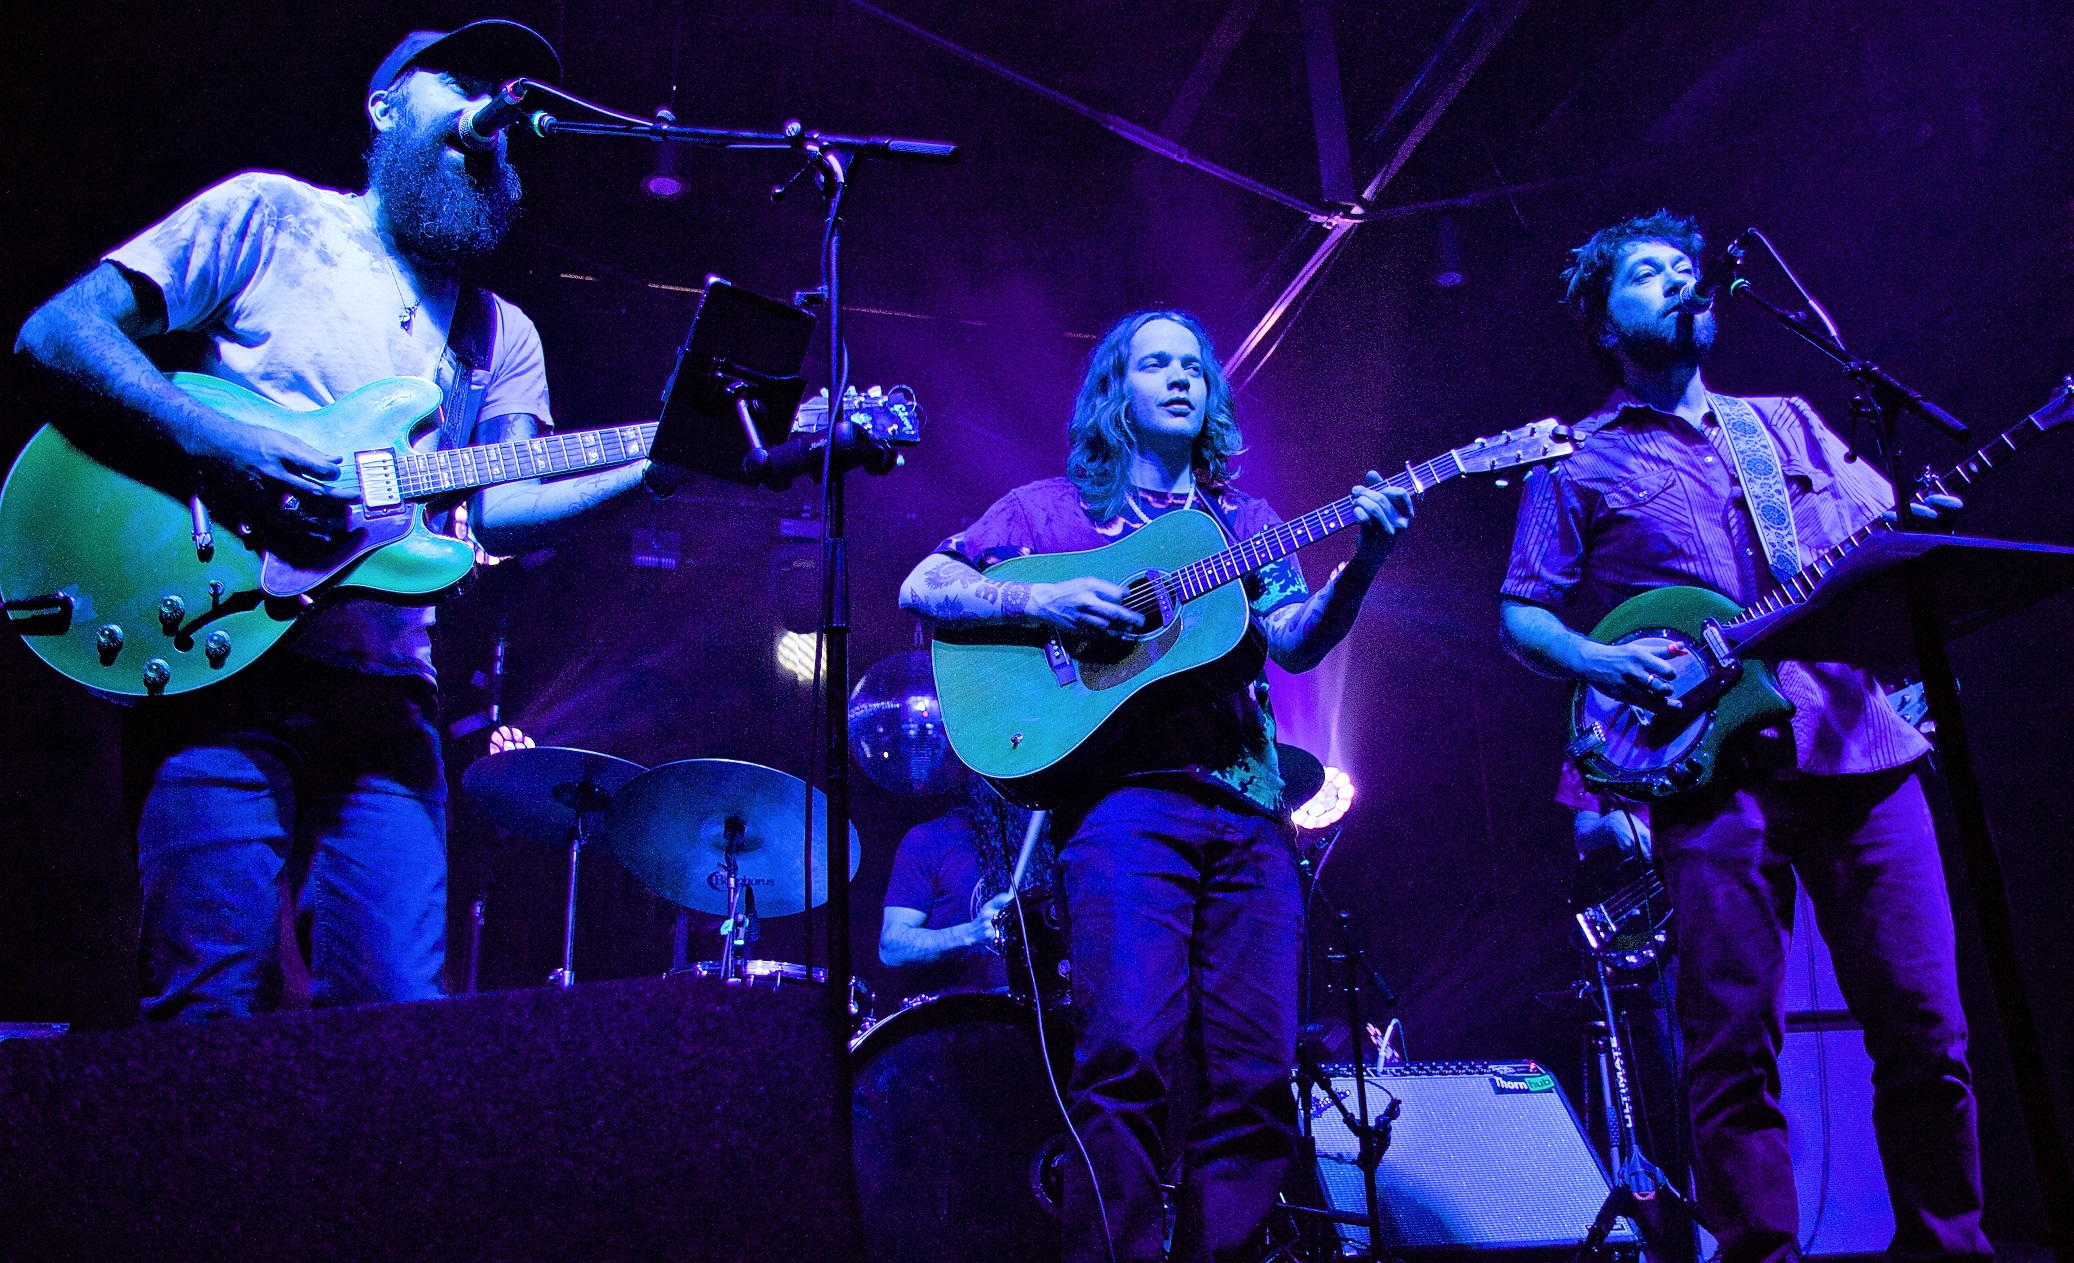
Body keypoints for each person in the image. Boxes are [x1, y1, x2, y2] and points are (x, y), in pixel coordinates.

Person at [13, 21, 675, 1023]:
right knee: (205, 1005)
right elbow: (59, 333)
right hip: (219, 661)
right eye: (457, 79)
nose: (488, 108)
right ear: (383, 108)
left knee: (400, 1021)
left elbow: (503, 507)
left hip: (385, 698)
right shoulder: (270, 216)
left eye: (505, 94)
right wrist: (216, 443)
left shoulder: (501, 330)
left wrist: (655, 470)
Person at [1499, 211, 1990, 1263]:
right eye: (1646, 273)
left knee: (1926, 1030)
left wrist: (1925, 520)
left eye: (1687, 269)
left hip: (1856, 745)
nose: (1679, 280)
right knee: (1729, 1047)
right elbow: (1522, 612)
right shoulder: (1572, 461)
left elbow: (1880, 541)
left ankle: (1949, 1248)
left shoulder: (1793, 424)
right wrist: (1598, 662)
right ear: (1601, 318)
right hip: (1709, 772)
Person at [899, 309, 1414, 1263]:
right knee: (1128, 1054)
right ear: (1115, 391)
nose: (1182, 379)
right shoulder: (1047, 512)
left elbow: (1297, 643)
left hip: (1254, 816)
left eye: (1196, 367)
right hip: (1125, 808)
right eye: (1157, 365)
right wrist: (1045, 598)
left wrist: (1368, 560)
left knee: (1255, 1078)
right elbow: (924, 585)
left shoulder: (1245, 524)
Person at [879, 777, 1034, 997]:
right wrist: (972, 932)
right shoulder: (930, 840)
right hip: (957, 1019)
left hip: (1035, 1013)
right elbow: (891, 949)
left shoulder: (1044, 842)